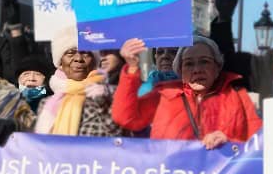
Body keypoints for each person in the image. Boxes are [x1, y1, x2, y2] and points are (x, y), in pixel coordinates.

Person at [112, 35, 262, 148]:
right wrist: (132, 68)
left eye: (204, 62)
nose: (197, 69)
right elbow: (125, 117)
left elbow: (258, 144)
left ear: (217, 68)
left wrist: (229, 142)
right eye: (189, 64)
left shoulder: (237, 96)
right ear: (180, 71)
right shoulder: (164, 94)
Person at [34, 28, 124, 137]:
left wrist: (102, 103)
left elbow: (119, 139)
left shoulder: (111, 95)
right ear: (60, 63)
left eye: (85, 53)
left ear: (95, 62)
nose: (78, 59)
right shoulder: (47, 103)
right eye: (70, 53)